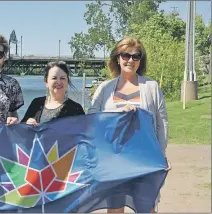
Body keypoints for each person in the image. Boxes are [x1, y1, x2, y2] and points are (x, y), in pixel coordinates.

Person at [88, 36, 171, 213]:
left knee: (146, 207)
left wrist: (161, 155)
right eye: (125, 55)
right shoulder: (104, 88)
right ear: (117, 58)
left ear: (141, 60)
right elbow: (92, 120)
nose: (130, 60)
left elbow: (161, 123)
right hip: (114, 160)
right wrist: (117, 115)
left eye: (136, 56)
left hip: (145, 159)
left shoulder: (151, 86)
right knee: (115, 208)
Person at [21, 61, 85, 126]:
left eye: (62, 78)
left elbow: (85, 133)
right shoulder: (36, 104)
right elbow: (21, 131)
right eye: (54, 78)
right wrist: (27, 124)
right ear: (46, 82)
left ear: (67, 81)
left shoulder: (76, 109)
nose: (58, 82)